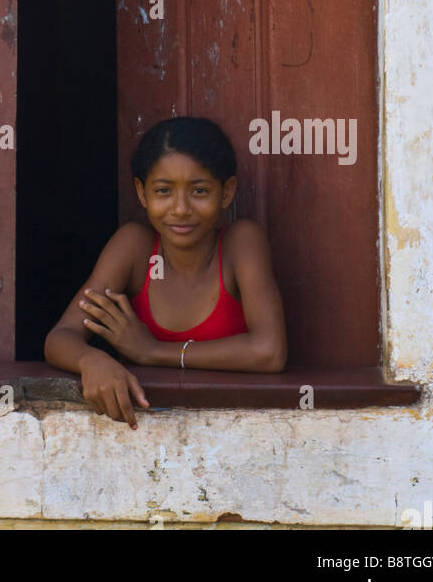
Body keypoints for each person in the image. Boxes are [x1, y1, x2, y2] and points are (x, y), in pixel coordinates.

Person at [43, 116, 287, 428]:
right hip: (141, 435)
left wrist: (153, 351)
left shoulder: (241, 244)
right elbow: (60, 337)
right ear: (142, 193)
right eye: (163, 191)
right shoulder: (134, 248)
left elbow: (269, 352)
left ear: (226, 192)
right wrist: (91, 360)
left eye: (199, 191)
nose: (181, 208)